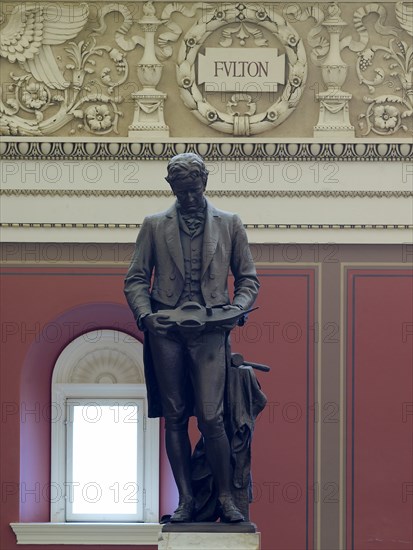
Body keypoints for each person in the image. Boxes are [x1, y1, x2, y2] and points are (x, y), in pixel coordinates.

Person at [124, 153, 259, 523]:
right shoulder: (153, 226)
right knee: (175, 416)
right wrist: (146, 317)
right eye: (181, 192)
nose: (188, 198)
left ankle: (226, 497)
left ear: (205, 184)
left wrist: (238, 309)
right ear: (171, 188)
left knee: (213, 417)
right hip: (166, 330)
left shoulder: (230, 224)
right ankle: (185, 500)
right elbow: (136, 278)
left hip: (211, 329)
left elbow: (248, 279)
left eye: (194, 190)